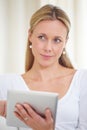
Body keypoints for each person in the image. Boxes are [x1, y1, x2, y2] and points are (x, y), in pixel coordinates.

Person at [0, 4, 87, 130]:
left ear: (65, 42)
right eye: (42, 37)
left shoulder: (82, 80)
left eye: (57, 40)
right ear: (30, 35)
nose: (48, 48)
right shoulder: (5, 84)